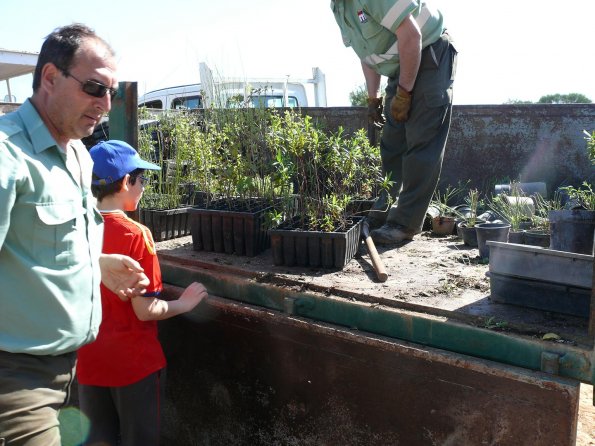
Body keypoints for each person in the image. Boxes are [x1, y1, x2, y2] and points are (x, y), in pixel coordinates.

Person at [0, 24, 150, 446]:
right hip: (17, 382)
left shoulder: (78, 156)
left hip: (72, 372)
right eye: (93, 88)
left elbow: (31, 246)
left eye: (111, 93)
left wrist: (97, 265)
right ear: (50, 78)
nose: (104, 104)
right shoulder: (7, 155)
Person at [76, 140, 209, 446]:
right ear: (125, 182)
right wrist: (183, 303)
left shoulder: (77, 229)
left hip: (89, 360)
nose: (144, 187)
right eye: (142, 179)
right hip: (132, 365)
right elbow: (145, 310)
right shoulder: (137, 236)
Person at [331, 1, 457, 244]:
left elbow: (411, 36)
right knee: (392, 142)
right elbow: (367, 54)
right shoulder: (340, 7)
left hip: (429, 52)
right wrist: (373, 97)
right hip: (402, 64)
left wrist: (404, 94)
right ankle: (385, 210)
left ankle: (405, 223)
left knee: (422, 141)